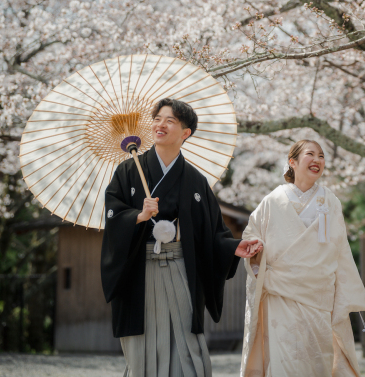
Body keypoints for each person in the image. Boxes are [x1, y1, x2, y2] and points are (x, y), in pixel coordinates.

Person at [101, 98, 262, 377]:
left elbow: (213, 231)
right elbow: (113, 215)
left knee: (187, 346)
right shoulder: (128, 171)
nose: (160, 125)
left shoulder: (195, 180)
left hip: (180, 270)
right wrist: (138, 216)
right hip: (139, 270)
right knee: (143, 351)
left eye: (170, 121)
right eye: (157, 119)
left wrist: (233, 247)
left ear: (185, 132)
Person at [240, 140, 365, 377]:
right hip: (280, 293)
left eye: (321, 156)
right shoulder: (273, 200)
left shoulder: (330, 201)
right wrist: (256, 250)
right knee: (284, 363)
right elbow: (251, 234)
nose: (317, 160)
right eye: (310, 154)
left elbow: (341, 251)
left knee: (316, 362)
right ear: (292, 162)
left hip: (318, 295)